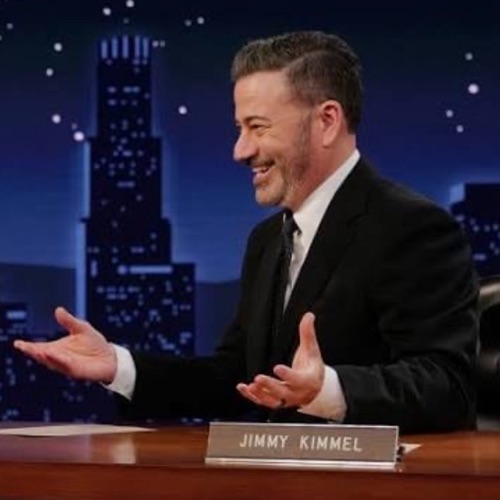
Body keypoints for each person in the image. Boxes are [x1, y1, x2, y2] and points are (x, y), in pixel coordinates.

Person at [14, 30, 479, 433]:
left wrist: (327, 390)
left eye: (258, 127)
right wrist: (118, 367)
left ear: (327, 121)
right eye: (240, 128)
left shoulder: (412, 228)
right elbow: (236, 378)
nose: (240, 150)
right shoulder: (266, 241)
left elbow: (448, 386)